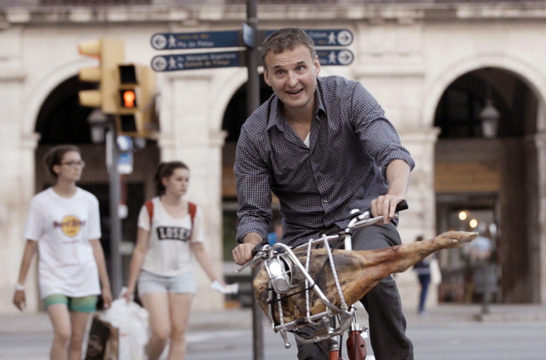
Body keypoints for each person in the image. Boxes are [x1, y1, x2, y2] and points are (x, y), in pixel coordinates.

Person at [232, 28, 415, 360]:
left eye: (300, 68)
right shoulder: (255, 133)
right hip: (306, 238)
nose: (292, 80)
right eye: (281, 72)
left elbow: (392, 152)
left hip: (365, 220)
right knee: (307, 331)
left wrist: (394, 192)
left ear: (316, 65)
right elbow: (253, 210)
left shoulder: (348, 97)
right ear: (267, 77)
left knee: (374, 274)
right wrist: (249, 240)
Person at [123, 161, 232, 360]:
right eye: (179, 179)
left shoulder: (193, 211)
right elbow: (140, 249)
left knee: (179, 333)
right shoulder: (150, 209)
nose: (184, 184)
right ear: (165, 181)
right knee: (161, 332)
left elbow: (198, 248)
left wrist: (215, 278)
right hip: (152, 275)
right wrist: (130, 286)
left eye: (187, 180)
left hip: (182, 276)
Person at [12, 145, 112, 360]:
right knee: (63, 333)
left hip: (84, 276)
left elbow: (95, 244)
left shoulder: (89, 201)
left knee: (77, 339)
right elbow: (31, 245)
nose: (77, 167)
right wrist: (20, 286)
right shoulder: (41, 202)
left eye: (79, 163)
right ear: (57, 168)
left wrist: (105, 285)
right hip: (53, 277)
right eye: (71, 163)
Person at [412, 236, 431, 314]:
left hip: (419, 272)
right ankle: (421, 307)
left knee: (423, 289)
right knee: (424, 290)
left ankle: (421, 307)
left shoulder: (415, 249)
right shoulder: (425, 248)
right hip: (426, 271)